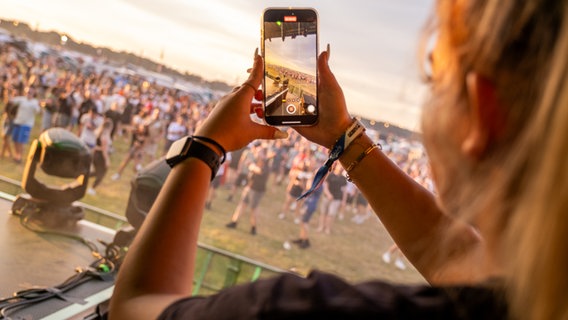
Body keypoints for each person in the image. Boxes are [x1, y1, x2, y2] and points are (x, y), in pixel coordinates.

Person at [110, 1, 568, 318]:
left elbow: (138, 306)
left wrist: (205, 147)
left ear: (483, 113)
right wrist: (343, 137)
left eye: (435, 79)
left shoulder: (315, 311)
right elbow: (458, 255)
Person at [87, 118, 113, 196]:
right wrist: (107, 160)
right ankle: (92, 188)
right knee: (101, 173)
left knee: (96, 172)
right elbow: (104, 149)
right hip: (100, 156)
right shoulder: (104, 135)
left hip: (96, 155)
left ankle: (82, 176)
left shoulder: (99, 132)